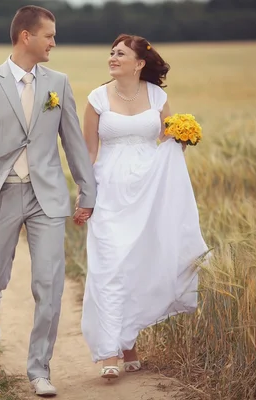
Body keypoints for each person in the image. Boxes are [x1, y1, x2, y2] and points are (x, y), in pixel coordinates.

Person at [0, 5, 97, 397]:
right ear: (25, 37)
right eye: (49, 35)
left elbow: (73, 142)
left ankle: (40, 369)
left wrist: (88, 189)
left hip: (45, 196)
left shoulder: (59, 83)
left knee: (49, 284)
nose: (54, 42)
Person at [77, 34, 209, 379]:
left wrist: (182, 137)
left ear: (139, 63)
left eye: (120, 53)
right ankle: (108, 351)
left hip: (148, 190)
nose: (112, 57)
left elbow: (167, 145)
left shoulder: (157, 95)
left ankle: (129, 344)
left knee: (137, 265)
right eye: (111, 52)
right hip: (110, 190)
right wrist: (84, 194)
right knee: (108, 266)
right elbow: (88, 153)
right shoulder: (95, 98)